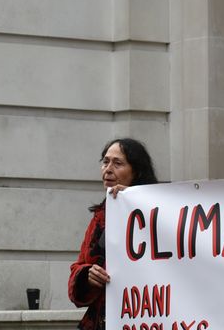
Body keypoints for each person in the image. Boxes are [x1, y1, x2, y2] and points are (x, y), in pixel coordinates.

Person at [68, 138, 158, 330]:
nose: (108, 169)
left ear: (137, 172)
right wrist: (88, 276)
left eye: (118, 163)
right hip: (101, 320)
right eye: (105, 162)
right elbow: (79, 266)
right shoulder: (100, 217)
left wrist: (136, 199)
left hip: (143, 318)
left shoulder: (158, 212)